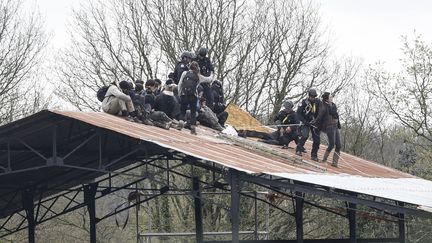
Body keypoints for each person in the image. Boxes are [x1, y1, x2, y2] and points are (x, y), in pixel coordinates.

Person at [178, 61, 213, 134]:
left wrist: (180, 93)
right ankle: (193, 127)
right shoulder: (198, 76)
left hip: (184, 94)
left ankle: (180, 122)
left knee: (182, 110)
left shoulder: (185, 73)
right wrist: (212, 74)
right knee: (193, 112)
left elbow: (180, 84)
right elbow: (208, 79)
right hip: (193, 95)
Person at [312, 92, 341, 167]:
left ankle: (335, 163)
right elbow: (319, 117)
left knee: (339, 145)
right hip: (329, 127)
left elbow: (335, 115)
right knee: (331, 144)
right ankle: (324, 160)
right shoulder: (324, 107)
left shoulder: (333, 105)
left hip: (335, 126)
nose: (332, 98)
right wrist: (315, 124)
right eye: (330, 97)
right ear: (327, 98)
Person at [295, 88, 321, 161]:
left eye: (314, 97)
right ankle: (299, 149)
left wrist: (317, 121)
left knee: (317, 139)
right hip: (305, 122)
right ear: (309, 96)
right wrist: (305, 122)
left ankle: (314, 155)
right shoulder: (303, 102)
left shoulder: (318, 102)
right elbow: (298, 114)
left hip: (314, 123)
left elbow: (320, 113)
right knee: (305, 135)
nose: (313, 98)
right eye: (311, 96)